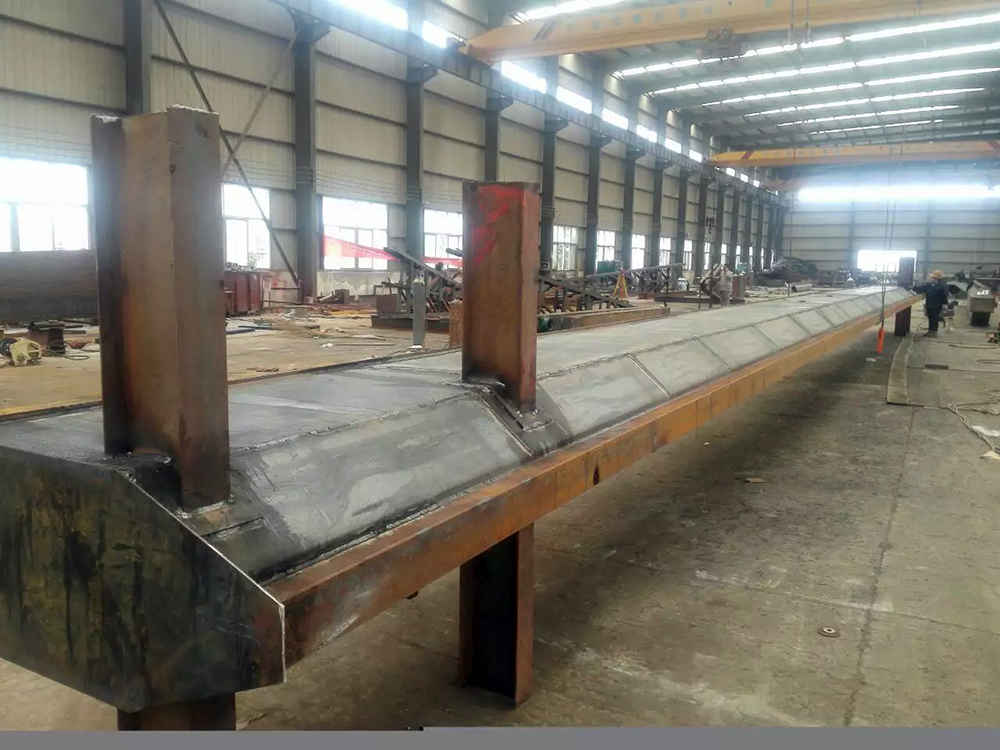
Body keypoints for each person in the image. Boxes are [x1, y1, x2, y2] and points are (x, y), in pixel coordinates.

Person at [914, 270, 949, 337]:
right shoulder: (928, 285)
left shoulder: (942, 287)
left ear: (937, 279)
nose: (932, 279)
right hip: (929, 304)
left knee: (934, 318)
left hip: (937, 305)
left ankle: (934, 331)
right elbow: (920, 289)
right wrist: (914, 287)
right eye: (932, 278)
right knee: (930, 318)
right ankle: (930, 330)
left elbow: (944, 296)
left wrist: (945, 305)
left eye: (934, 278)